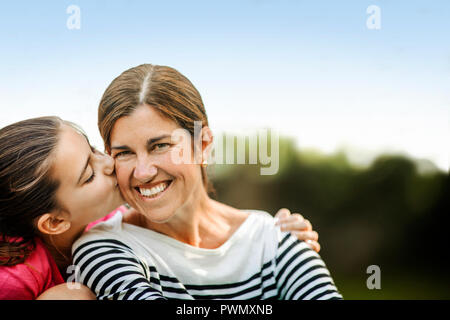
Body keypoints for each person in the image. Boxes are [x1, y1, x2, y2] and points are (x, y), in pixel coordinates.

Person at [71, 64, 342, 300]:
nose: (142, 172)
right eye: (124, 153)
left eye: (160, 146)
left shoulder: (272, 239)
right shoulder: (103, 247)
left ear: (202, 144)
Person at [0, 117, 314, 300]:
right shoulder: (15, 277)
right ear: (54, 222)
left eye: (95, 150)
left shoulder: (113, 221)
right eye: (89, 175)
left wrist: (266, 230)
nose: (109, 162)